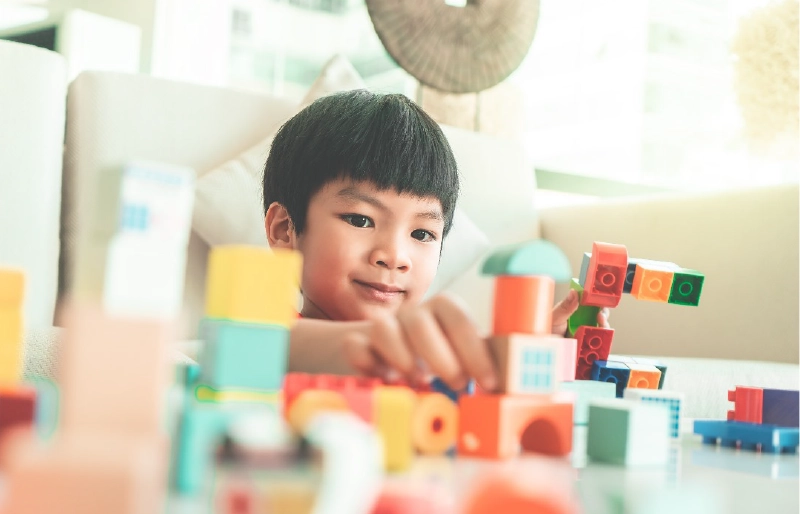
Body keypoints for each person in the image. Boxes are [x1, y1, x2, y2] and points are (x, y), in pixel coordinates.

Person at [263, 90, 608, 393]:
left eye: (421, 234)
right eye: (360, 220)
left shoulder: (433, 365)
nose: (395, 256)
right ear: (284, 230)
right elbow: (269, 347)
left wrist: (518, 356)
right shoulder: (263, 337)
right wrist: (377, 343)